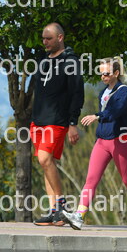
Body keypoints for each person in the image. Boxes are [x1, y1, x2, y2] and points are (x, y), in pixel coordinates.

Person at [61, 58, 127, 232]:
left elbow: (115, 111)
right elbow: (106, 116)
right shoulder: (103, 92)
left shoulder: (124, 92)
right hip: (102, 141)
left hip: (121, 140)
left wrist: (97, 116)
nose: (103, 76)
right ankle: (79, 216)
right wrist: (98, 135)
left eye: (106, 73)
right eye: (101, 73)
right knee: (91, 180)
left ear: (116, 73)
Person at [32, 22, 84, 226]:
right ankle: (54, 211)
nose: (45, 42)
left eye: (49, 38)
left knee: (45, 159)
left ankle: (61, 205)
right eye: (43, 38)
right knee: (46, 163)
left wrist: (73, 122)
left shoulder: (71, 61)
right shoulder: (43, 60)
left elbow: (77, 93)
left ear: (60, 38)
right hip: (38, 120)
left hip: (57, 120)